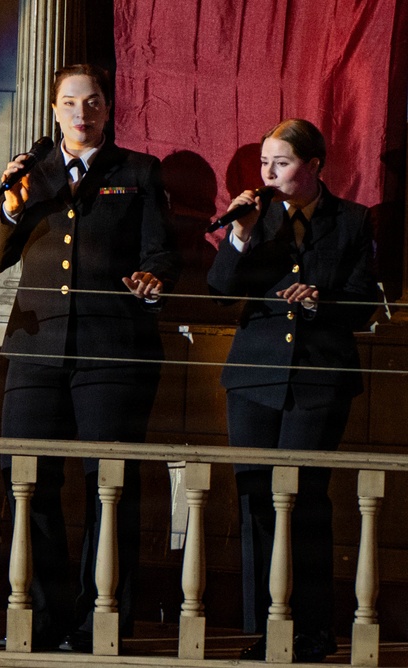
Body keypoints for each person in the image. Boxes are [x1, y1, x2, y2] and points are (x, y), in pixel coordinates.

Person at [0, 64, 180, 651]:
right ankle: (42, 618)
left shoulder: (137, 171)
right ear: (54, 110)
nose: (81, 113)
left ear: (108, 108)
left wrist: (152, 276)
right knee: (29, 482)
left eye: (91, 103)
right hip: (36, 350)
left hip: (112, 351)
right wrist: (11, 208)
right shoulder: (31, 174)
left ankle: (101, 622)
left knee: (106, 488)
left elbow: (163, 253)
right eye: (69, 103)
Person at [207, 118, 378, 662]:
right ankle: (268, 627)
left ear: (315, 166)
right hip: (254, 378)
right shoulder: (257, 218)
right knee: (257, 499)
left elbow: (363, 305)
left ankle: (313, 629)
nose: (269, 173)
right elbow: (220, 287)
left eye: (281, 163)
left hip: (317, 380)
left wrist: (319, 301)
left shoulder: (351, 220)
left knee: (304, 500)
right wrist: (240, 234)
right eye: (264, 163)